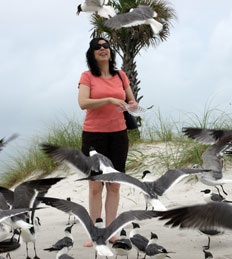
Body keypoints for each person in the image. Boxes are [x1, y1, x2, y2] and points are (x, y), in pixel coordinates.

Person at [78, 37, 137, 247]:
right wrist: (110, 100)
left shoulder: (120, 75)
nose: (103, 49)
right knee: (95, 187)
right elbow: (83, 103)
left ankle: (111, 231)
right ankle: (95, 233)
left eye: (106, 46)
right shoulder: (87, 76)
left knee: (114, 186)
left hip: (118, 135)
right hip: (94, 136)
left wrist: (132, 106)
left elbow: (131, 101)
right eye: (98, 47)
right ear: (92, 53)